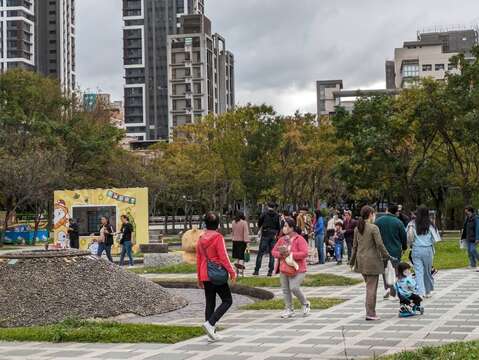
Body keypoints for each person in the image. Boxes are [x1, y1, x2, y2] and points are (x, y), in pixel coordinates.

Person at [196, 212, 236, 342]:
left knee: (210, 303)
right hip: (216, 274)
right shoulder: (218, 237)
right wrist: (232, 272)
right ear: (218, 224)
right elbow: (223, 257)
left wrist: (199, 277)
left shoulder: (201, 238)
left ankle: (211, 333)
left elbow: (198, 258)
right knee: (227, 300)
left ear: (205, 224)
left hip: (205, 273)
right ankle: (210, 323)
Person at [350, 206, 392, 321]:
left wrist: (351, 262)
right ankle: (370, 313)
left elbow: (354, 247)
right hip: (372, 262)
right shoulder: (374, 228)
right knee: (371, 288)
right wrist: (387, 256)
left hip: (361, 262)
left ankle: (370, 312)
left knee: (369, 286)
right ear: (370, 214)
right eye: (373, 214)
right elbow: (379, 244)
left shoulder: (357, 228)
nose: (374, 216)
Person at [272, 217, 310, 318]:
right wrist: (281, 254)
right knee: (285, 289)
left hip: (298, 268)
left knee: (294, 287)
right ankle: (289, 309)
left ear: (292, 227)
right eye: (283, 226)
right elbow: (273, 252)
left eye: (285, 226)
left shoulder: (299, 239)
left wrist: (291, 254)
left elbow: (305, 253)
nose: (283, 229)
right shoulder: (281, 240)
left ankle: (305, 303)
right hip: (284, 268)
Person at [407, 205, 440, 298]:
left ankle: (421, 292)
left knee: (418, 271)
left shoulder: (411, 223)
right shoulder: (430, 224)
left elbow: (408, 237)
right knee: (427, 271)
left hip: (416, 250)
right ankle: (428, 291)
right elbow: (435, 239)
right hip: (428, 250)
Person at [375, 204, 407, 299]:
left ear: (387, 210)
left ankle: (387, 289)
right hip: (395, 250)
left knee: (384, 270)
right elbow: (403, 237)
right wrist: (404, 247)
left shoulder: (378, 221)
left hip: (381, 251)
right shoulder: (399, 222)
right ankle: (394, 292)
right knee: (395, 270)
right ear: (396, 212)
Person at [254, 202, 281, 276]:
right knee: (272, 253)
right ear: (274, 207)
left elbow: (259, 223)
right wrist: (277, 234)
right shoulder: (277, 215)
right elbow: (278, 226)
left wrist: (261, 226)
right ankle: (270, 271)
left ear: (267, 206)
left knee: (260, 253)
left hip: (265, 233)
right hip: (273, 234)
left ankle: (256, 270)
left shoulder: (264, 214)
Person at [231, 211, 250, 276]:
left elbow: (233, 232)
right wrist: (247, 242)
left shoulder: (233, 222)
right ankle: (241, 271)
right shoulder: (244, 223)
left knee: (237, 257)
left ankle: (236, 271)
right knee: (242, 257)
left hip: (235, 241)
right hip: (242, 242)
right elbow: (246, 233)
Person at [461, 206, 479, 270]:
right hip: (467, 238)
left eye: (466, 211)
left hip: (474, 238)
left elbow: (477, 228)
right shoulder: (467, 218)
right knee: (469, 252)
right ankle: (473, 265)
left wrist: (477, 238)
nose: (465, 212)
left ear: (470, 211)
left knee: (473, 250)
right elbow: (465, 228)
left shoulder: (476, 218)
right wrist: (463, 237)